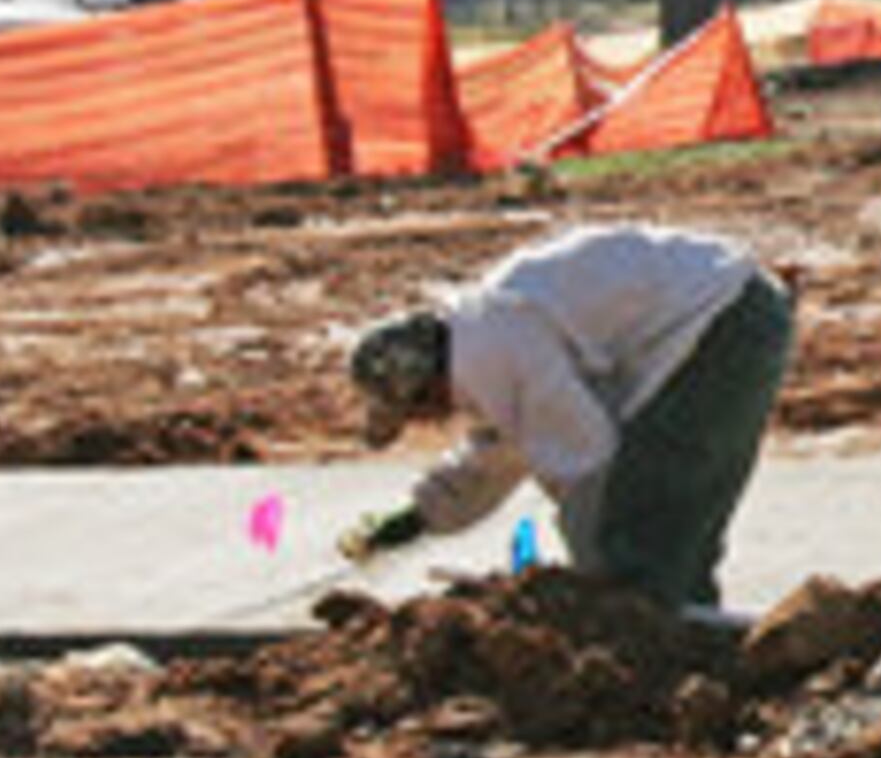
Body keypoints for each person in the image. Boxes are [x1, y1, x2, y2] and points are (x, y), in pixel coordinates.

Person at [339, 223, 795, 611]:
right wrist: (421, 514)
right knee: (666, 532)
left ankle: (674, 659)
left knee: (643, 533)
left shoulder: (493, 350)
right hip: (726, 310)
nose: (429, 422)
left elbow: (584, 462)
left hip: (723, 326)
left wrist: (596, 579)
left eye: (416, 412)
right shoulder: (484, 337)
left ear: (425, 386)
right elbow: (501, 450)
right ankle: (692, 641)